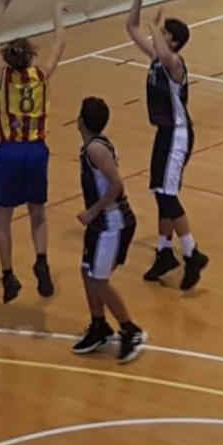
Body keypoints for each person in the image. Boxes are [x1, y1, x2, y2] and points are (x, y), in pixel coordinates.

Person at [0, 0, 67, 303]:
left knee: (3, 219)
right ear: (32, 57)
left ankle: (8, 277)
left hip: (9, 151)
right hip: (36, 151)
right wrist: (56, 15)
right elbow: (60, 42)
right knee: (38, 212)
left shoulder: (1, 77)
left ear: (8, 58)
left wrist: (3, 5)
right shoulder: (43, 75)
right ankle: (42, 262)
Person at [126, 0, 209, 291]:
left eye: (163, 33)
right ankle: (164, 252)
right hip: (164, 133)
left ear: (172, 40)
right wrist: (139, 0)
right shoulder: (158, 58)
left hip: (178, 134)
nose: (156, 36)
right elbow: (131, 28)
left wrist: (154, 26)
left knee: (168, 194)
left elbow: (162, 51)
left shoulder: (174, 64)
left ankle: (191, 253)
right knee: (160, 191)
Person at [73, 97, 147, 364]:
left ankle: (131, 330)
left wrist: (93, 211)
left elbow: (116, 185)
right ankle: (99, 326)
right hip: (101, 223)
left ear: (81, 121)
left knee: (98, 281)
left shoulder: (96, 150)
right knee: (86, 270)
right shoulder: (94, 146)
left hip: (111, 223)